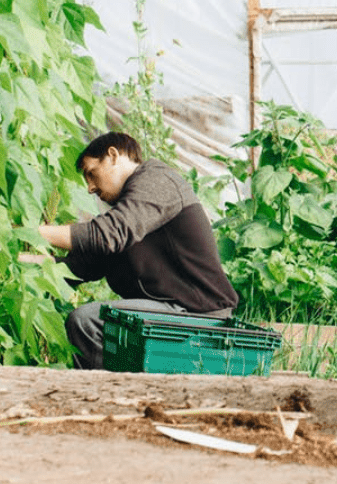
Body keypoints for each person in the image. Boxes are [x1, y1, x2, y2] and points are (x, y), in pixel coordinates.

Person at [27, 131, 239, 369]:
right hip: (174, 311)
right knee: (95, 323)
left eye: (91, 173)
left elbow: (107, 235)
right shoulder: (131, 210)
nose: (90, 188)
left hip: (198, 314)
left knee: (86, 321)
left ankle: (104, 390)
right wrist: (23, 261)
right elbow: (79, 267)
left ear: (113, 155)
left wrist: (33, 232)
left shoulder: (158, 182)